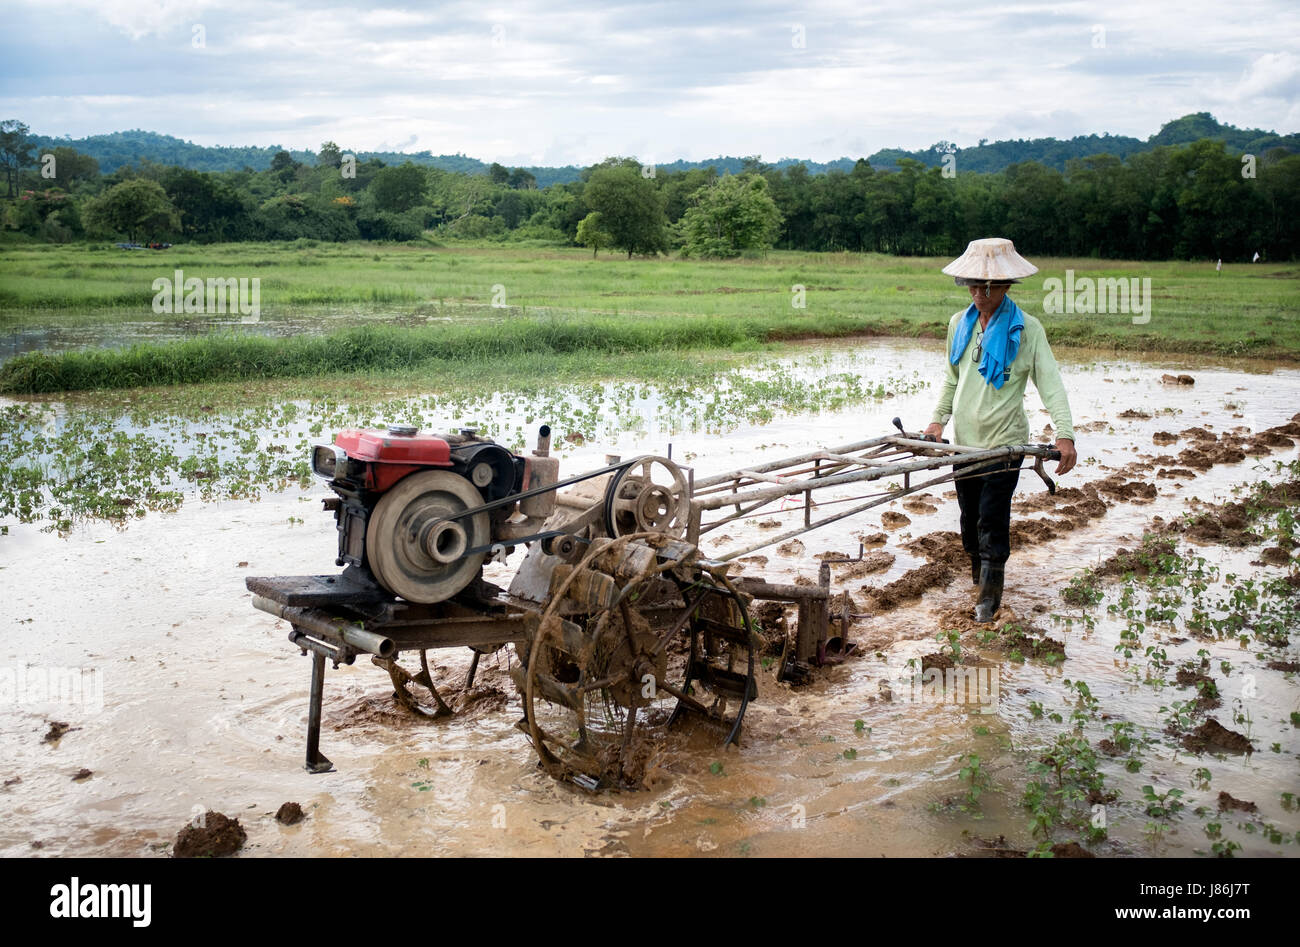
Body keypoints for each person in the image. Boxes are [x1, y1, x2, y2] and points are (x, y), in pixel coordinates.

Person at [923, 237, 1077, 621]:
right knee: (969, 523)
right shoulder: (960, 324)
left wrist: (1065, 432)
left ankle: (988, 601)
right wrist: (937, 420)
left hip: (1005, 445)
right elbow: (951, 377)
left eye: (984, 286)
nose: (976, 293)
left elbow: (1050, 382)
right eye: (971, 285)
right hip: (964, 447)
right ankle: (979, 579)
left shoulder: (1027, 330)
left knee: (992, 520)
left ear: (1005, 286)